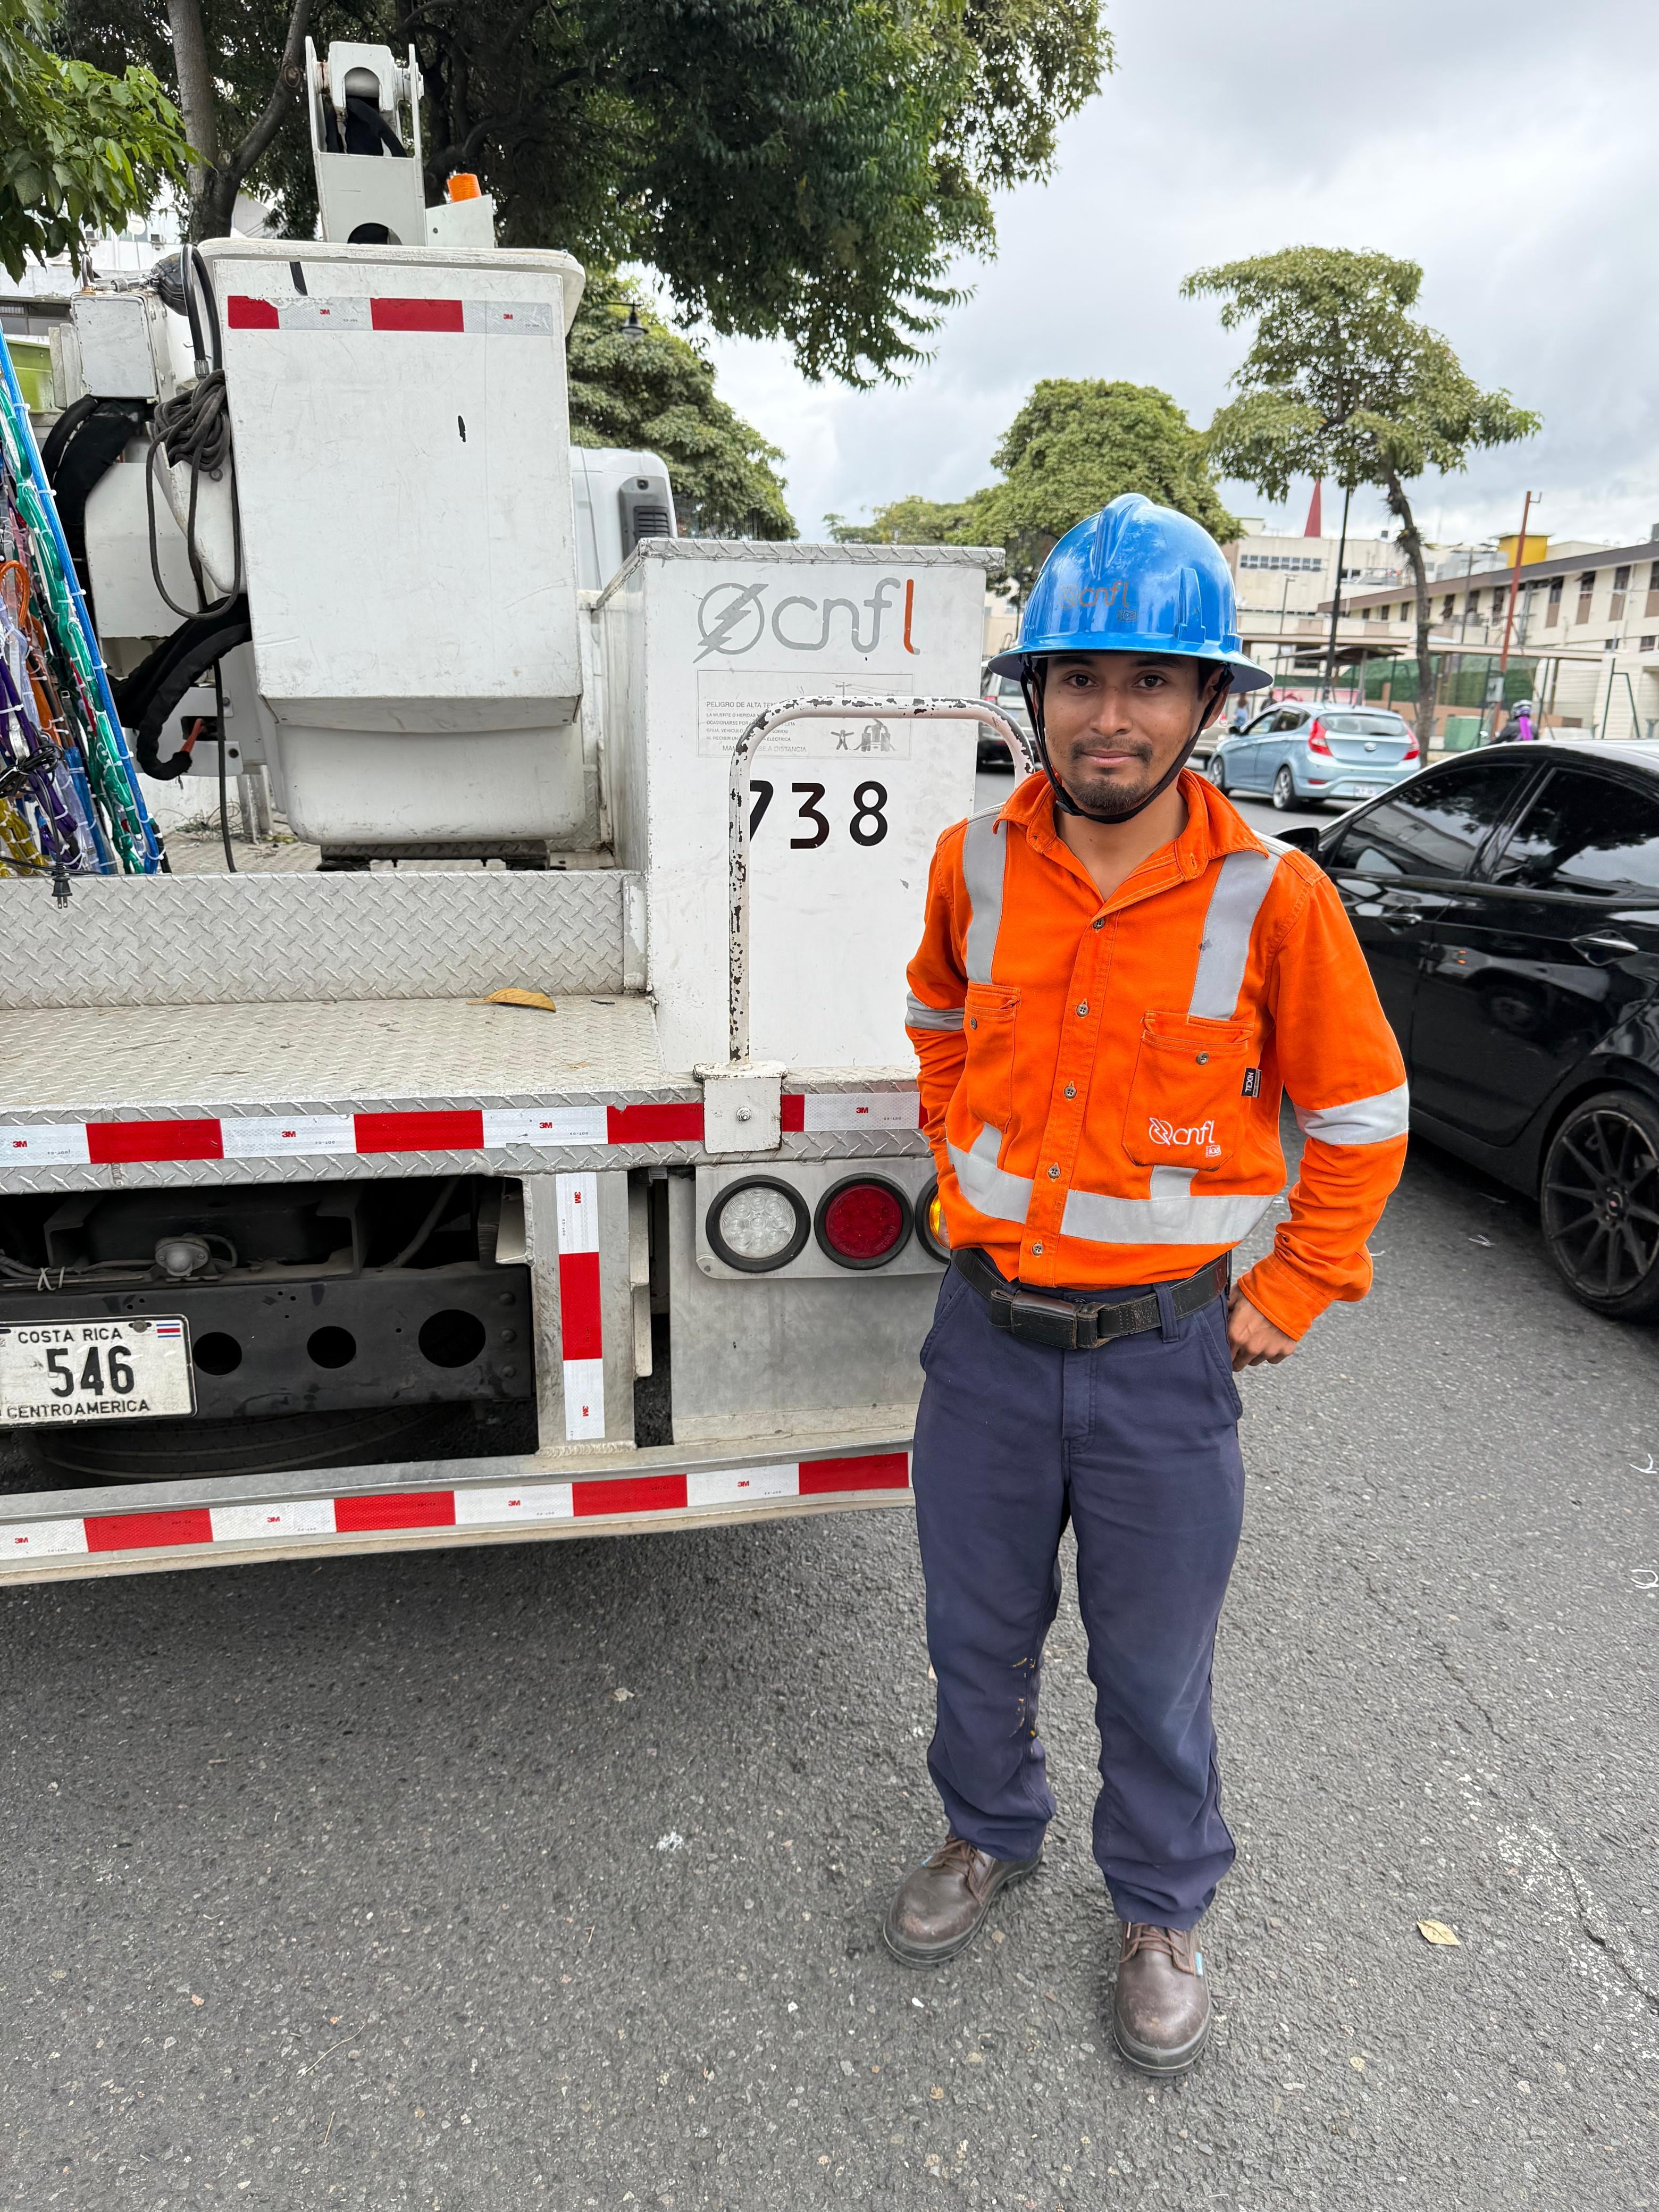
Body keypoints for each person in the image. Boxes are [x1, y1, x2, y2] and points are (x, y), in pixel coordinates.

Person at [892, 494, 1408, 2074]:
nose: (1110, 717)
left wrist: (1295, 1288)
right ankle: (990, 1831)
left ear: (1205, 707)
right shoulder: (972, 863)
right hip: (983, 1342)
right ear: (1034, 696)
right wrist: (955, 1147)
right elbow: (934, 1024)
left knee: (1152, 1663)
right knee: (975, 1635)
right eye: (1080, 680)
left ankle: (1163, 1903)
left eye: (1150, 682)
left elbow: (1366, 1116)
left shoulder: (1279, 898)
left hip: (1165, 1368)